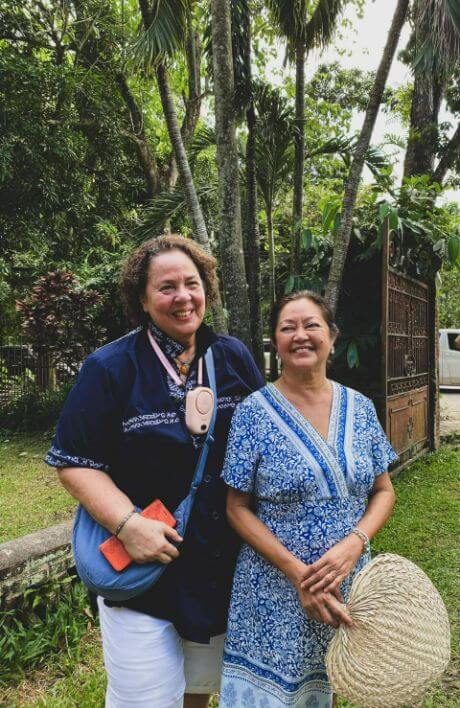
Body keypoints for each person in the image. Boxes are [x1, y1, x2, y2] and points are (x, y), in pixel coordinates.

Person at [44, 234, 264, 708]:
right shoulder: (109, 367)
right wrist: (129, 525)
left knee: (198, 691)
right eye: (166, 287)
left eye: (192, 283)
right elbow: (74, 464)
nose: (183, 297)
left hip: (219, 568)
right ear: (142, 300)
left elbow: (263, 446)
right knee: (144, 699)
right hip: (144, 565)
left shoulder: (233, 358)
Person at [219, 291, 397, 707]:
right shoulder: (253, 411)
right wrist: (299, 575)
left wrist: (354, 546)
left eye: (311, 325)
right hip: (273, 586)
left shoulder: (361, 408)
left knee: (329, 688)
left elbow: (383, 491)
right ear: (275, 343)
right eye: (287, 328)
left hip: (345, 583)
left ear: (332, 337)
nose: (301, 336)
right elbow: (236, 507)